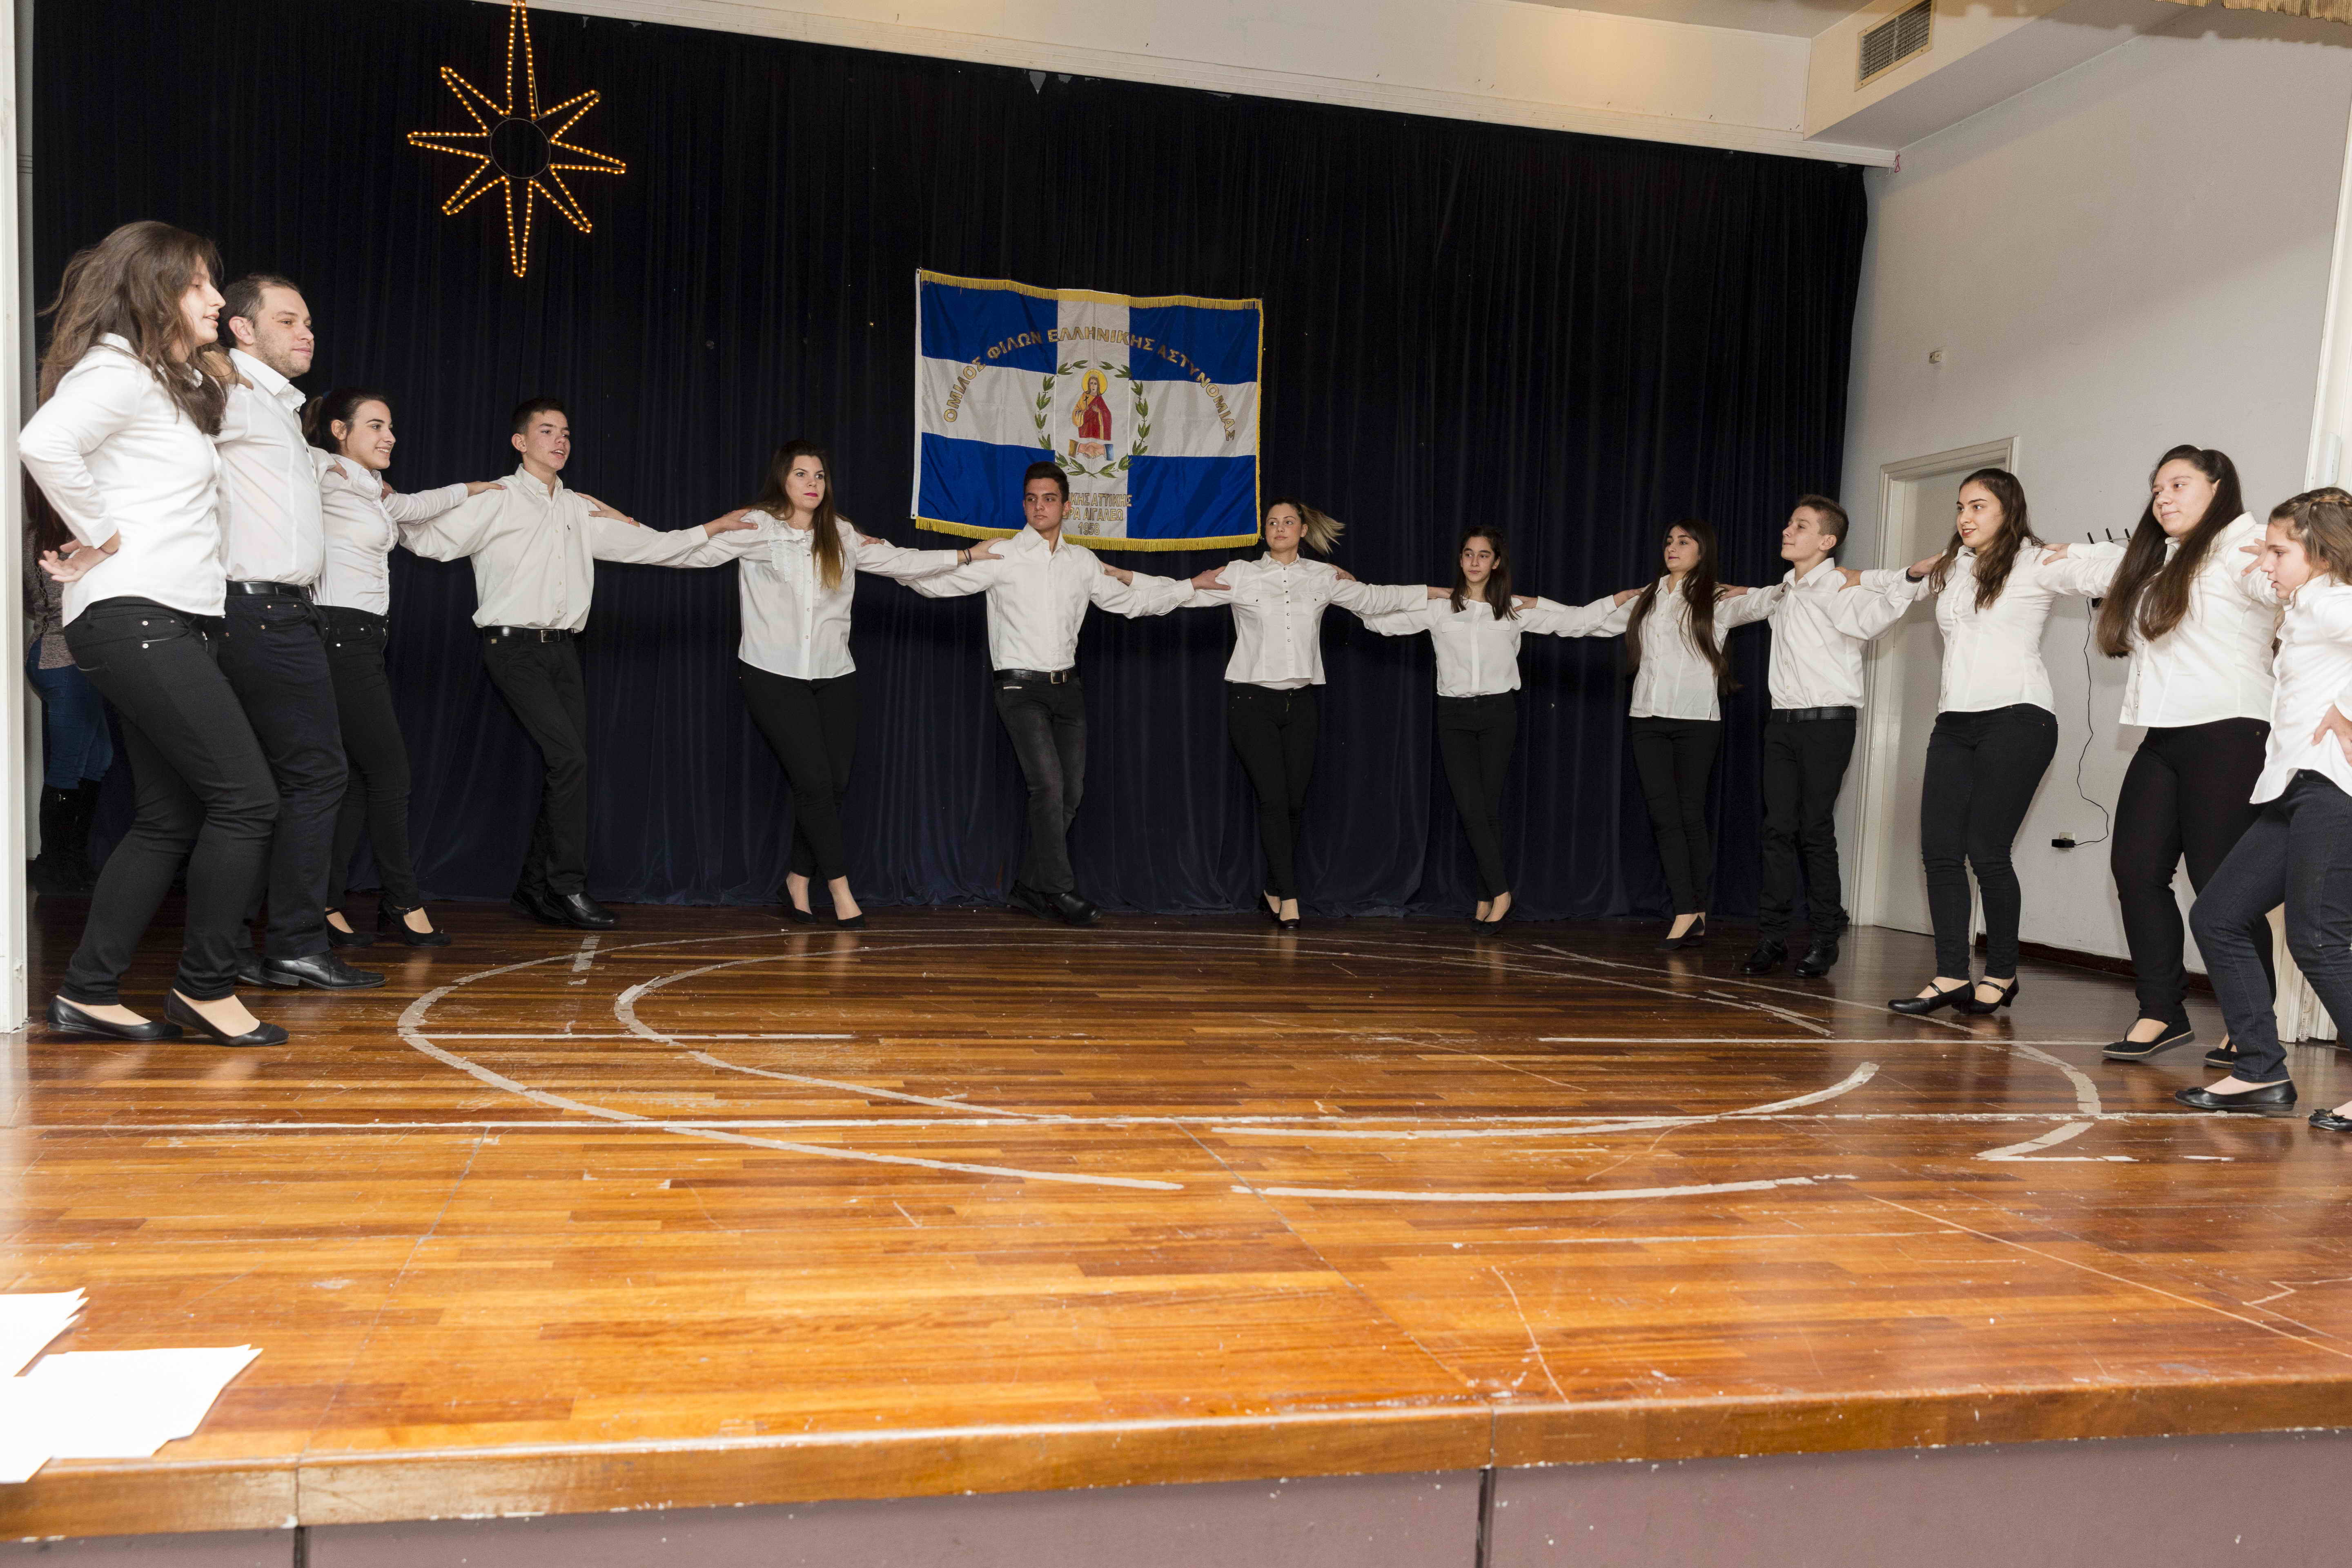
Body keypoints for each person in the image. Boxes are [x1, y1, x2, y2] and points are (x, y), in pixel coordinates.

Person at [20, 221, 285, 1047]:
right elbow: (43, 442)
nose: (214, 296)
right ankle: (205, 988)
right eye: (198, 282)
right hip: (138, 617)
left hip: (162, 617)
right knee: (247, 800)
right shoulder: (117, 371)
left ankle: (88, 992)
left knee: (169, 819)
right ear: (153, 290)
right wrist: (99, 535)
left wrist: (102, 535)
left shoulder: (165, 381)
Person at [396, 397, 756, 930]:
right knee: (569, 762)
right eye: (547, 431)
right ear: (521, 442)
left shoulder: (578, 508)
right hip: (512, 648)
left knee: (570, 767)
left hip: (563, 650)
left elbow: (654, 547)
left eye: (565, 432)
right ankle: (567, 887)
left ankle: (534, 888)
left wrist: (714, 527)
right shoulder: (497, 500)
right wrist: (381, 508)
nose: (560, 440)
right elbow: (429, 540)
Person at [2036, 447, 2278, 1064]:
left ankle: (2249, 1023)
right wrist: (2048, 553)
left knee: (2220, 884)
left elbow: (2284, 582)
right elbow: (2088, 568)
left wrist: (2285, 559)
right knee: (2136, 870)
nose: (2163, 498)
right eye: (2157, 488)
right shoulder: (2161, 558)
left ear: (2218, 487)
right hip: (2163, 737)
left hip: (2230, 732)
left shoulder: (2246, 551)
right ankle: (2161, 1011)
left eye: (2179, 484)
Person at [691, 439, 982, 927]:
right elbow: (687, 554)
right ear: (783, 479)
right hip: (772, 673)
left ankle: (796, 879)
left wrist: (967, 555)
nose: (812, 484)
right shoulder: (758, 528)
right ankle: (841, 890)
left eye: (820, 476)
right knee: (813, 782)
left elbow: (900, 562)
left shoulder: (842, 533)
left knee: (833, 785)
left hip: (834, 674)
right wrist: (645, 527)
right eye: (801, 474)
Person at [907, 461, 1189, 925]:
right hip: (1019, 688)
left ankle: (1028, 887)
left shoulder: (1082, 562)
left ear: (1066, 506)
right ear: (1024, 504)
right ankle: (1059, 889)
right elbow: (938, 586)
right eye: (1032, 499)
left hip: (1067, 689)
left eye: (1049, 499)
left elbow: (1132, 602)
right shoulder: (1003, 555)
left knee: (1070, 793)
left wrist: (1190, 587)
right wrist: (893, 564)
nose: (1040, 507)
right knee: (1049, 787)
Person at [1877, 468, 2105, 1017]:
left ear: (2009, 510)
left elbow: (2120, 568)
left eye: (1978, 506)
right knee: (1939, 852)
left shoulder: (2035, 563)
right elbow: (1882, 593)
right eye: (1961, 507)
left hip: (2019, 718)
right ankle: (1951, 975)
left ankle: (2001, 973)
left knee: (1986, 851)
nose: (1965, 517)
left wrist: (2074, 550)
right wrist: (1910, 572)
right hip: (1954, 722)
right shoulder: (1954, 567)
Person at [210, 274, 381, 991]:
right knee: (317, 775)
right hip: (259, 612)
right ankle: (295, 944)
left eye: (308, 320)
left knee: (259, 788)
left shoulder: (278, 408)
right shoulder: (227, 391)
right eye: (287, 320)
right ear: (242, 329)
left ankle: (233, 951)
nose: (306, 332)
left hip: (276, 611)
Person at [2174, 490, 2352, 1120]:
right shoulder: (2307, 601)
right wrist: (2262, 557)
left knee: (2318, 940)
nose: (2267, 563)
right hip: (2292, 790)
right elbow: (2264, 581)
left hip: (2333, 791)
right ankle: (2259, 1072)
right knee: (2218, 917)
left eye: (2280, 552)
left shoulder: (2332, 603)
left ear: (2322, 553)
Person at [305, 387, 503, 948]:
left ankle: (326, 902)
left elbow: (416, 507)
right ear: (339, 431)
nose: (389, 437)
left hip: (364, 640)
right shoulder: (322, 473)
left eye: (390, 427)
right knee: (390, 774)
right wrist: (314, 455)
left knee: (357, 779)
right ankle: (401, 900)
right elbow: (279, 456)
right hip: (338, 635)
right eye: (375, 425)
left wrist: (473, 489)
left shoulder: (371, 491)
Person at [1183, 499, 1432, 928]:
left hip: (1300, 704)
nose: (1279, 528)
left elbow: (1376, 598)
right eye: (1272, 522)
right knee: (1273, 799)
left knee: (1294, 803)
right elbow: (1179, 595)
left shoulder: (1322, 576)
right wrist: (1127, 578)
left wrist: (1437, 593)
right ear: (1265, 532)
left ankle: (1274, 887)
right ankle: (1290, 896)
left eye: (1288, 522)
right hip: (1251, 702)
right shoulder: (1241, 574)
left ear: (1301, 530)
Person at [1359, 526, 1613, 930]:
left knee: (1486, 808)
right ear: (1460, 560)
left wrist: (1619, 599)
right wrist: (1352, 591)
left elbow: (1577, 622)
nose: (1474, 562)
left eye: (1483, 555)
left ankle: (1485, 896)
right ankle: (1501, 892)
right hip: (1454, 715)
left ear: (1496, 563)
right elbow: (1380, 624)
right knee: (1471, 807)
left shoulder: (1513, 609)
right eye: (1468, 554)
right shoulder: (1439, 608)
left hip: (1498, 713)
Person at [1731, 497, 1910, 978]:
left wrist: (1908, 579)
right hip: (1782, 724)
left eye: (1801, 526)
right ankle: (1772, 938)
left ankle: (1826, 938)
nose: (1787, 531)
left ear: (1827, 541)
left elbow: (1877, 617)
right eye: (1789, 523)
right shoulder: (1785, 590)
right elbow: (1756, 600)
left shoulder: (1840, 587)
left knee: (1814, 829)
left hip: (1828, 725)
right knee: (1776, 829)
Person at [1595, 519, 1777, 951]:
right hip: (1647, 719)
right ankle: (1687, 910)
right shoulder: (1648, 598)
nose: (1672, 548)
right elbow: (1583, 622)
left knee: (1690, 815)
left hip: (1697, 721)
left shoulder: (1716, 599)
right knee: (1665, 816)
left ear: (1702, 550)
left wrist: (1748, 591)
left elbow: (1771, 602)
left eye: (1683, 541)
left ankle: (1694, 911)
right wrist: (1529, 605)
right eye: (1669, 542)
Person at [23, 478, 111, 895]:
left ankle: (70, 862)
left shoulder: (45, 536)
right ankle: (54, 865)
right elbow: (59, 601)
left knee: (97, 758)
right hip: (62, 656)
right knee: (71, 763)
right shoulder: (52, 539)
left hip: (71, 656)